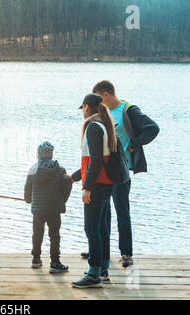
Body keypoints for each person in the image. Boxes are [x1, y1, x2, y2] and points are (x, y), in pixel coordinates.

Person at [80, 81, 160, 267]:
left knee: (122, 211)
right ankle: (99, 251)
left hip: (120, 171)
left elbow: (153, 128)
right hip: (104, 172)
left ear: (106, 94)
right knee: (101, 213)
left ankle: (126, 253)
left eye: (99, 99)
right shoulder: (102, 115)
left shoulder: (128, 110)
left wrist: (134, 143)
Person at [70, 94, 117, 288]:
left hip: (97, 185)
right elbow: (95, 160)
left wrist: (87, 187)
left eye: (82, 108)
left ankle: (94, 273)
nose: (82, 111)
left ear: (87, 107)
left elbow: (96, 161)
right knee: (102, 227)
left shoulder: (92, 127)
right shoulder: (105, 124)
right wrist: (74, 177)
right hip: (107, 183)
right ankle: (103, 268)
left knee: (91, 229)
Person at [24, 141, 72, 273]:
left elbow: (27, 192)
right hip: (54, 209)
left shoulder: (33, 170)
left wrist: (29, 200)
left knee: (37, 234)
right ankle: (55, 263)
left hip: (38, 209)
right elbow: (67, 183)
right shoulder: (60, 170)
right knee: (55, 235)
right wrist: (63, 200)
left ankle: (36, 259)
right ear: (51, 155)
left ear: (38, 155)